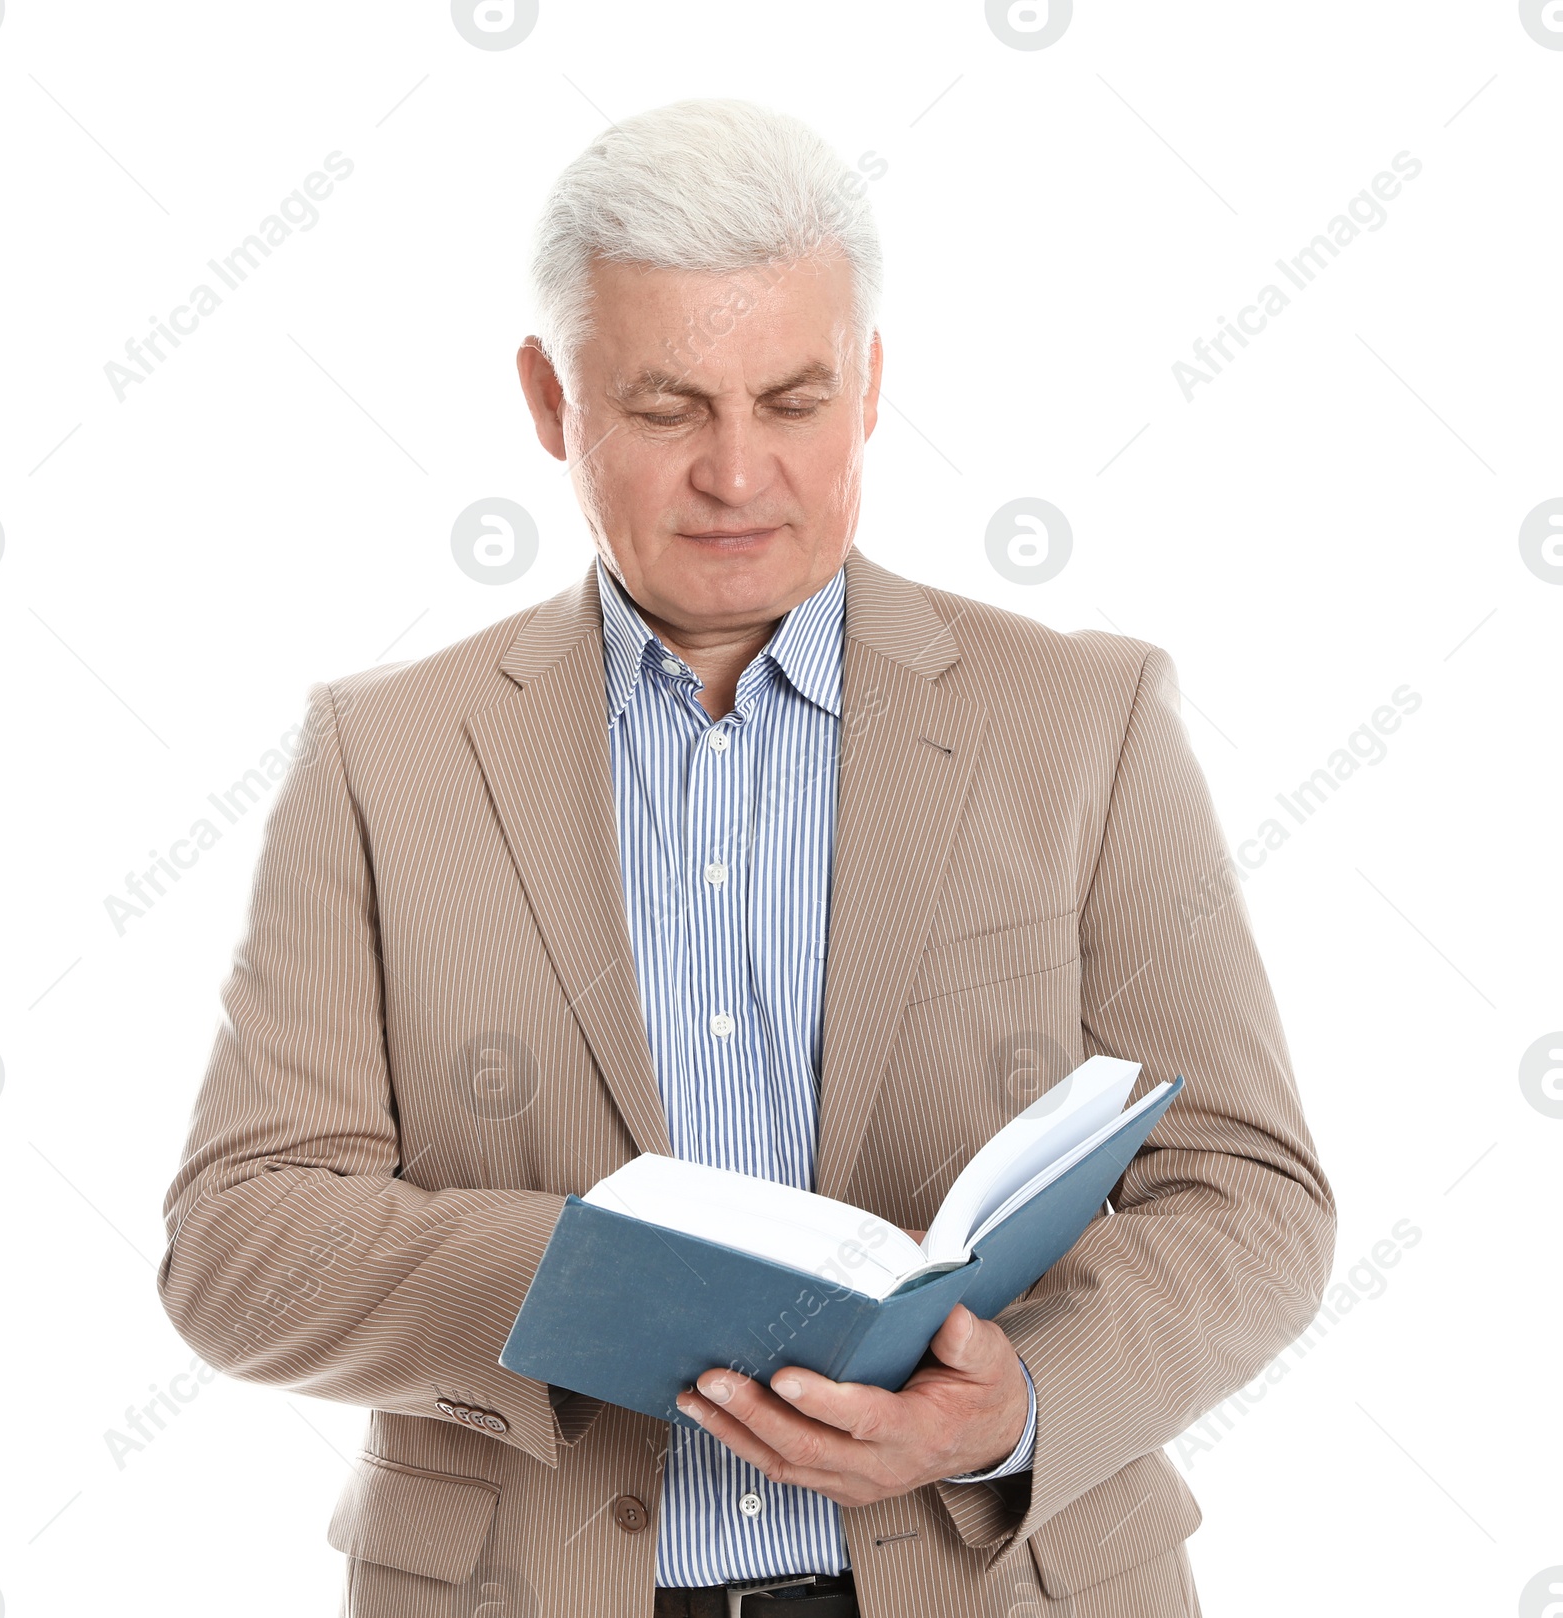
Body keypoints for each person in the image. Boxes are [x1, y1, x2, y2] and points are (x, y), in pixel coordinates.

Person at [159, 98, 1336, 1618]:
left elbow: (1249, 1192)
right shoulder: (384, 758)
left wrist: (1017, 1400)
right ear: (549, 396)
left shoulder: (1081, 722)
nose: (737, 472)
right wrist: (598, 1283)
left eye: (793, 400)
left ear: (871, 387)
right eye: (666, 408)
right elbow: (244, 1250)